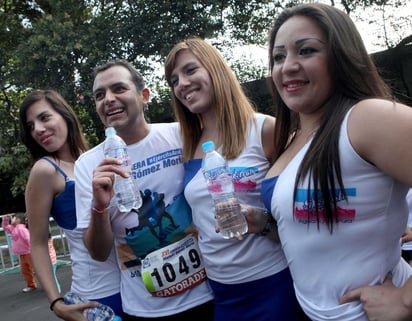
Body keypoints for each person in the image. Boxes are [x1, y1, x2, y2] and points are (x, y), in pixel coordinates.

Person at [260, 3, 412, 320]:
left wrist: (406, 300)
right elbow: (308, 230)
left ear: (341, 57)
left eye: (306, 50)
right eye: (278, 56)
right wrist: (259, 223)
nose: (287, 66)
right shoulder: (292, 139)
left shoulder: (366, 118)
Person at [164, 37, 303, 320]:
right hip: (222, 291)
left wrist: (260, 221)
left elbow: (302, 212)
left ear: (216, 69)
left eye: (191, 70)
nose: (182, 84)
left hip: (274, 282)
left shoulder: (265, 130)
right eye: (174, 80)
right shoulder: (188, 144)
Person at [75, 60, 214, 320]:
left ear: (144, 95)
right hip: (145, 310)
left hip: (210, 294)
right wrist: (100, 206)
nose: (109, 99)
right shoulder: (88, 165)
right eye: (99, 95)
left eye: (119, 89)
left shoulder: (182, 135)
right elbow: (98, 251)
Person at [19, 89, 122, 321]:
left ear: (64, 115)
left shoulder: (94, 159)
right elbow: (37, 242)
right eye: (31, 126)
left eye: (44, 117)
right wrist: (56, 302)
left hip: (134, 285)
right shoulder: (45, 170)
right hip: (98, 296)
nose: (38, 129)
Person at [2, 213, 37, 292]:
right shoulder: (13, 228)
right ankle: (31, 285)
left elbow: (28, 239)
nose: (13, 219)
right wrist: (5, 219)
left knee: (37, 269)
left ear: (19, 220)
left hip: (28, 253)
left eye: (14, 218)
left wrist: (33, 249)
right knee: (25, 271)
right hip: (22, 254)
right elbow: (5, 227)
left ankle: (47, 284)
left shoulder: (21, 229)